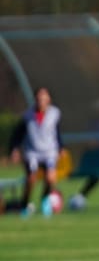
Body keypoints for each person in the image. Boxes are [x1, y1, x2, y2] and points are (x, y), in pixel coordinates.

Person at [7, 87, 66, 217]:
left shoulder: (54, 114)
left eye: (44, 98)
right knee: (31, 179)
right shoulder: (28, 116)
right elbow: (18, 134)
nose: (42, 101)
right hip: (32, 152)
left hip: (49, 151)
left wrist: (61, 147)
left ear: (48, 99)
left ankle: (45, 200)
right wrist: (14, 149)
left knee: (50, 179)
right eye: (39, 99)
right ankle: (25, 204)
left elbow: (57, 132)